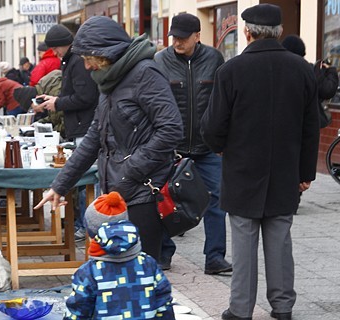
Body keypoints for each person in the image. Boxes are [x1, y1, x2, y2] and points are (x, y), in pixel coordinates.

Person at [200, 4, 319, 320]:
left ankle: (240, 310)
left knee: (243, 244)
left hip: (241, 170)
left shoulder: (231, 71)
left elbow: (212, 127)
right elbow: (311, 127)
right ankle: (282, 307)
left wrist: (221, 148)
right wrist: (306, 172)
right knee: (280, 244)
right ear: (279, 33)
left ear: (246, 31)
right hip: (285, 172)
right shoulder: (302, 69)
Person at [34, 16, 183, 261]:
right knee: (117, 272)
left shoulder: (145, 73)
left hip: (143, 192)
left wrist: (131, 168)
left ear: (105, 52)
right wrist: (60, 185)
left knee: (140, 276)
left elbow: (171, 129)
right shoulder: (110, 78)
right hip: (118, 189)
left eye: (88, 59)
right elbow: (95, 137)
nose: (88, 67)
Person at [153, 13, 231, 274]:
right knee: (163, 200)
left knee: (216, 200)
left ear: (198, 36)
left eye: (183, 38)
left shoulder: (214, 59)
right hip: (171, 145)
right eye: (174, 37)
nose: (177, 42)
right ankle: (163, 253)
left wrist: (221, 137)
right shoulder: (160, 61)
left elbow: (223, 101)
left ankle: (215, 257)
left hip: (207, 146)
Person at [64, 191, 175, 319]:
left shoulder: (89, 271)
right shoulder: (148, 264)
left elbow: (77, 312)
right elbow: (164, 304)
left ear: (91, 236)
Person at [36, 23, 101, 239]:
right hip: (80, 126)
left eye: (56, 48)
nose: (54, 53)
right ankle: (84, 224)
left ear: (66, 45)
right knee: (84, 180)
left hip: (85, 126)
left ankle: (86, 226)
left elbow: (85, 97)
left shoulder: (77, 62)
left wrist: (58, 102)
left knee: (86, 181)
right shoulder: (71, 60)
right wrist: (54, 100)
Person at [281, 35, 338, 128]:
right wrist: (331, 71)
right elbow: (327, 90)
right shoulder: (308, 70)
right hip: (307, 123)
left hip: (286, 124)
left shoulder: (279, 71)